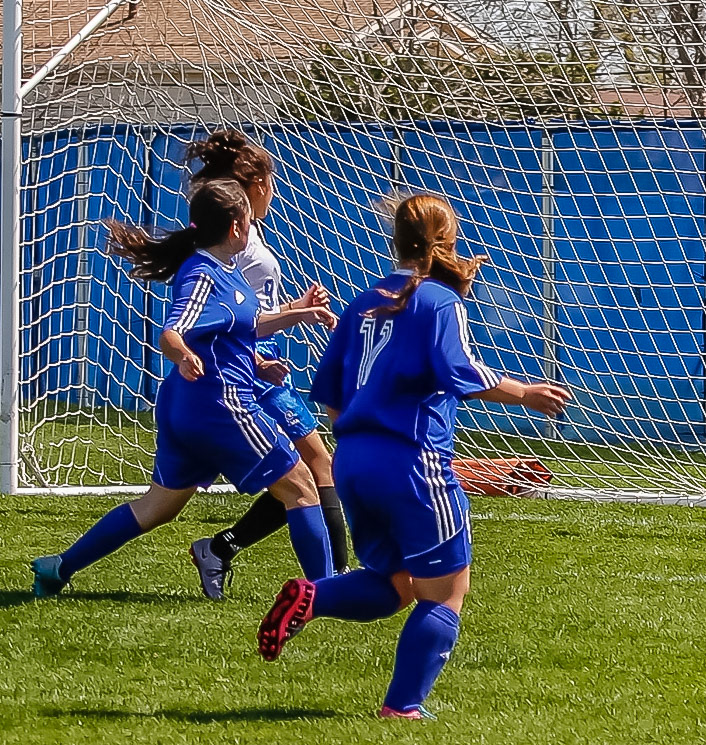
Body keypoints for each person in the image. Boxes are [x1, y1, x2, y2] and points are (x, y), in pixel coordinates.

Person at [255, 193, 570, 719]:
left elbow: (329, 393)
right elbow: (460, 372)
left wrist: (362, 434)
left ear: (397, 241)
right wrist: (527, 394)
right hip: (412, 462)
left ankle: (314, 596)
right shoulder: (439, 301)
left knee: (394, 584)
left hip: (353, 459)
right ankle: (402, 707)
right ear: (446, 240)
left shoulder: (362, 301)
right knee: (444, 594)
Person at [31, 179, 338, 597]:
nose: (252, 227)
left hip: (190, 407)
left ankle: (58, 568)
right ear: (236, 228)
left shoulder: (224, 272)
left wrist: (295, 317)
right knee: (301, 484)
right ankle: (327, 594)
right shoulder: (202, 273)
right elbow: (172, 331)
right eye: (249, 219)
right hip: (220, 405)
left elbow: (243, 327)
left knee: (157, 508)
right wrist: (182, 354)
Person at [182, 130, 351, 599]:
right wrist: (257, 355)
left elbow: (250, 312)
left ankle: (220, 548)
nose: (275, 190)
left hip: (262, 367)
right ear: (255, 184)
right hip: (252, 376)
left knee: (305, 472)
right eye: (272, 181)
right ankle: (335, 579)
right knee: (315, 468)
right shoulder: (235, 245)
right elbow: (233, 321)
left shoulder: (243, 234)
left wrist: (298, 305)